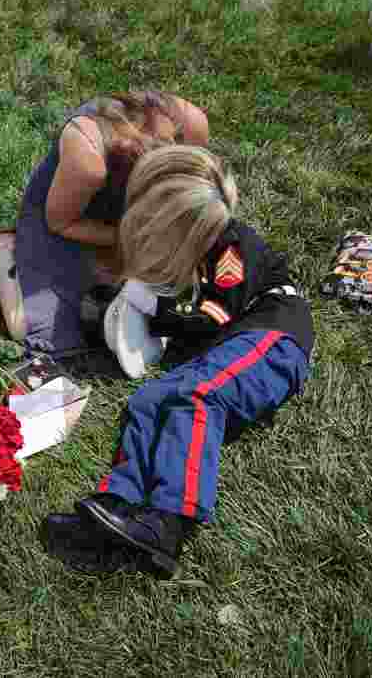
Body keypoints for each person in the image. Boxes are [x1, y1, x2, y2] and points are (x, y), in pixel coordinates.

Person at [40, 145, 315, 578]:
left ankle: (167, 523)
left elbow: (216, 315)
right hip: (232, 344)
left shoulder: (232, 246)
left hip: (273, 335)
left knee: (197, 398)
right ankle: (120, 502)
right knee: (149, 400)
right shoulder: (202, 247)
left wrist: (157, 316)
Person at [0, 91, 211, 354]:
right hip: (68, 217)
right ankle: (5, 246)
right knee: (34, 328)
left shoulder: (191, 123)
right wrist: (133, 238)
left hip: (127, 218)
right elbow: (61, 223)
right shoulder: (89, 161)